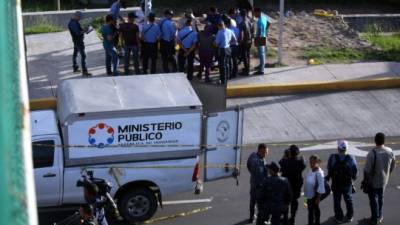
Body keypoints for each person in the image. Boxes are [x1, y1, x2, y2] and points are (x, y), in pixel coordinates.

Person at [364, 132, 396, 225]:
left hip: (373, 182)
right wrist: (387, 173)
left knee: (374, 200)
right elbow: (393, 165)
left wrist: (365, 181)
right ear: (384, 141)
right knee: (381, 198)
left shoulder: (371, 153)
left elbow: (367, 170)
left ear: (375, 141)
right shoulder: (390, 151)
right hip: (384, 180)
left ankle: (375, 218)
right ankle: (380, 216)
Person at [326, 140, 358, 224]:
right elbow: (355, 172)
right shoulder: (351, 158)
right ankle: (349, 216)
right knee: (348, 200)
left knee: (337, 201)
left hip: (336, 183)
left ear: (338, 148)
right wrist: (353, 179)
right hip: (347, 184)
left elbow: (329, 168)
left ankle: (339, 217)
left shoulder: (332, 157)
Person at [279, 145, 306, 225]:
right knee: (294, 202)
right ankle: (293, 218)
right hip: (296, 187)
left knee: (286, 203)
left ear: (290, 153)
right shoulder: (300, 162)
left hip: (286, 187)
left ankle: (285, 219)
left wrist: (285, 156)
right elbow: (303, 160)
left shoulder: (285, 162)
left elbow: (280, 162)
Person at [246, 143, 268, 224]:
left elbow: (248, 165)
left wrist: (252, 173)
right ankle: (260, 220)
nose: (266, 154)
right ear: (260, 151)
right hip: (259, 187)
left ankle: (251, 217)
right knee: (260, 205)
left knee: (252, 202)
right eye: (265, 152)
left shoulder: (252, 155)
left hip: (253, 184)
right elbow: (264, 175)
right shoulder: (260, 162)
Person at [68, 11, 92, 77]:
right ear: (76, 16)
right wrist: (84, 30)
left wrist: (86, 29)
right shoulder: (73, 23)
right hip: (78, 41)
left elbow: (80, 30)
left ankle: (75, 68)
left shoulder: (75, 22)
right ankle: (84, 71)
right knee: (83, 55)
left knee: (75, 54)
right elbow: (78, 33)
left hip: (77, 41)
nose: (80, 19)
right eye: (79, 17)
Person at [304, 155, 326, 225]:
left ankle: (315, 223)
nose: (311, 164)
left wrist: (318, 198)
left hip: (314, 196)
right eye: (310, 162)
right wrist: (305, 198)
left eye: (313, 163)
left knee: (313, 211)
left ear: (317, 162)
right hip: (308, 195)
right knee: (311, 210)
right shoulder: (311, 170)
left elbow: (321, 187)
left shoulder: (319, 173)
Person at [214, 20, 236, 85]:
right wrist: (228, 43)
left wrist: (213, 42)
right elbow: (235, 41)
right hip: (228, 49)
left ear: (219, 26)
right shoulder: (230, 31)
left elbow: (216, 44)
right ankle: (227, 78)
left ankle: (223, 81)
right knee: (227, 64)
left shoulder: (219, 32)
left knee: (222, 66)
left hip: (222, 50)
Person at [253, 8, 270, 75]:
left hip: (260, 38)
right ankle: (261, 65)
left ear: (258, 12)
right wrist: (265, 31)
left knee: (261, 54)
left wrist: (258, 39)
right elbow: (269, 23)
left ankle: (261, 70)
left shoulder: (259, 21)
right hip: (264, 37)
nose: (254, 14)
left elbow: (259, 30)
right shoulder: (264, 18)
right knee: (262, 53)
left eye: (254, 13)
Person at [238, 9, 252, 76]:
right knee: (248, 55)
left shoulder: (242, 23)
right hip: (249, 40)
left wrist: (240, 41)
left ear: (241, 15)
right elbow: (252, 29)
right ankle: (248, 68)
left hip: (245, 42)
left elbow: (241, 34)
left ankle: (247, 71)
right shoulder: (249, 21)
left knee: (244, 56)